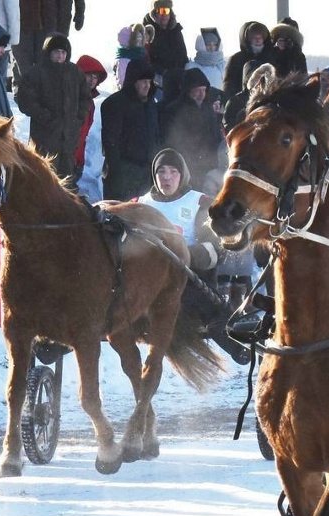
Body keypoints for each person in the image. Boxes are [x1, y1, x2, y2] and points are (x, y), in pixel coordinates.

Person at [136, 148, 249, 365]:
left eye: (173, 172)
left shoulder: (199, 203)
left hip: (188, 279)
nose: (166, 178)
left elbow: (215, 247)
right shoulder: (140, 204)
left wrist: (187, 255)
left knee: (208, 303)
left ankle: (236, 345)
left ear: (183, 174)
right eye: (161, 172)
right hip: (145, 282)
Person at [14, 32, 91, 181]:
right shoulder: (36, 73)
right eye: (56, 52)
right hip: (44, 139)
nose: (60, 56)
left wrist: (79, 116)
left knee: (66, 182)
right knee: (43, 180)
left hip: (68, 139)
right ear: (48, 53)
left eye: (63, 52)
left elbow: (85, 96)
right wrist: (44, 116)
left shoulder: (74, 72)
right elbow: (24, 100)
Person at [100, 57, 161, 200]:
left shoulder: (151, 104)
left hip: (147, 172)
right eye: (143, 81)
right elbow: (110, 141)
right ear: (133, 82)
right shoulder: (115, 103)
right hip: (123, 172)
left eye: (149, 81)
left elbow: (156, 135)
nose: (147, 85)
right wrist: (117, 172)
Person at [159, 67, 224, 193]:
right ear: (187, 91)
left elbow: (215, 136)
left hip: (209, 165)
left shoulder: (207, 109)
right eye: (197, 91)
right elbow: (171, 141)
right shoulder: (174, 111)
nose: (201, 94)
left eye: (204, 90)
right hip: (187, 167)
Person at [13, 0, 83, 90]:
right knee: (24, 62)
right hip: (24, 19)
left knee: (49, 61)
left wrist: (80, 9)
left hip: (53, 19)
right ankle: (22, 93)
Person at [143, 0, 188, 105]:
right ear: (154, 13)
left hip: (178, 81)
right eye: (160, 11)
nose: (163, 15)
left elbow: (183, 55)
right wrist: (163, 73)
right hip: (157, 82)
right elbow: (146, 59)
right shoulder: (147, 32)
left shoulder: (176, 31)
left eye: (166, 11)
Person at [74, 54, 106, 184]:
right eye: (89, 75)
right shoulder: (70, 97)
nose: (92, 80)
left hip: (77, 158)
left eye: (95, 77)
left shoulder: (90, 103)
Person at [222, 20, 270, 99]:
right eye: (254, 37)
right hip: (241, 102)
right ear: (248, 39)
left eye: (260, 37)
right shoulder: (236, 59)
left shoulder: (271, 57)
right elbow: (229, 85)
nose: (258, 40)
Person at [184, 28, 225, 100]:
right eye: (208, 45)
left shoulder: (223, 65)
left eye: (215, 44)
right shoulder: (191, 66)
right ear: (201, 45)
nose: (212, 48)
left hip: (219, 103)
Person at [114, 23, 149, 90]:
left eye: (141, 38)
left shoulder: (139, 56)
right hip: (130, 95)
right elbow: (122, 81)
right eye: (137, 39)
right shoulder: (124, 59)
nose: (140, 42)